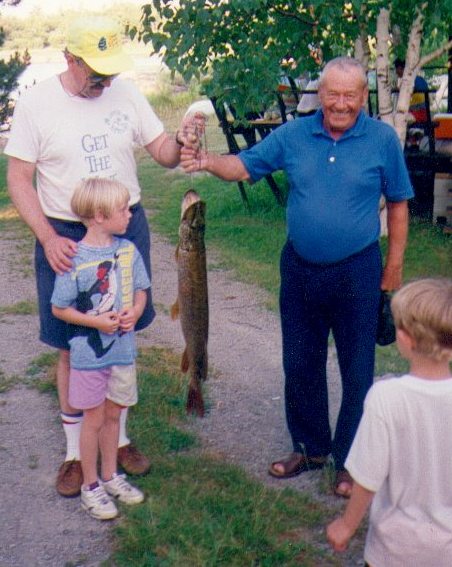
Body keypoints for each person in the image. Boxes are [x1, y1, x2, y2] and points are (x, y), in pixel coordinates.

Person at [180, 56, 413, 497]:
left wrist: (393, 268)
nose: (341, 104)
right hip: (301, 268)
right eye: (333, 94)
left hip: (358, 270)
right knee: (300, 362)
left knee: (358, 370)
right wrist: (207, 160)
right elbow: (244, 166)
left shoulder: (382, 140)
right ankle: (309, 448)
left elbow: (398, 204)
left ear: (363, 97)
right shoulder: (293, 135)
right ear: (320, 95)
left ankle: (350, 462)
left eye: (350, 95)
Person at [4, 15, 200, 497]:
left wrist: (182, 140)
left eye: (111, 71)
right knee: (73, 342)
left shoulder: (127, 94)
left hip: (123, 226)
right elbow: (18, 179)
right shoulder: (37, 103)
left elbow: (163, 153)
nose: (105, 81)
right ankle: (76, 452)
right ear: (70, 59)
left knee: (122, 330)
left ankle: (120, 439)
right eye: (96, 72)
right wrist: (48, 237)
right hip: (66, 235)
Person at [327, 277, 452, 565]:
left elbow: (368, 475)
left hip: (395, 550)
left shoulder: (386, 397)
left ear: (405, 339)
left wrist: (347, 525)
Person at [51, 178, 149, 520]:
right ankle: (89, 486)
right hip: (89, 357)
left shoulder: (128, 251)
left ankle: (110, 476)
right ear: (98, 215)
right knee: (92, 420)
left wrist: (135, 312)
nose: (129, 215)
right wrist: (97, 323)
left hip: (123, 353)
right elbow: (59, 308)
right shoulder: (74, 257)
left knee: (113, 415)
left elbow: (141, 290)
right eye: (122, 210)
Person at [394, 57, 429, 123]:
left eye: (397, 68)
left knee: (396, 118)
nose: (396, 72)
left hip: (417, 115)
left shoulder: (409, 82)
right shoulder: (419, 79)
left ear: (403, 69)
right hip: (423, 114)